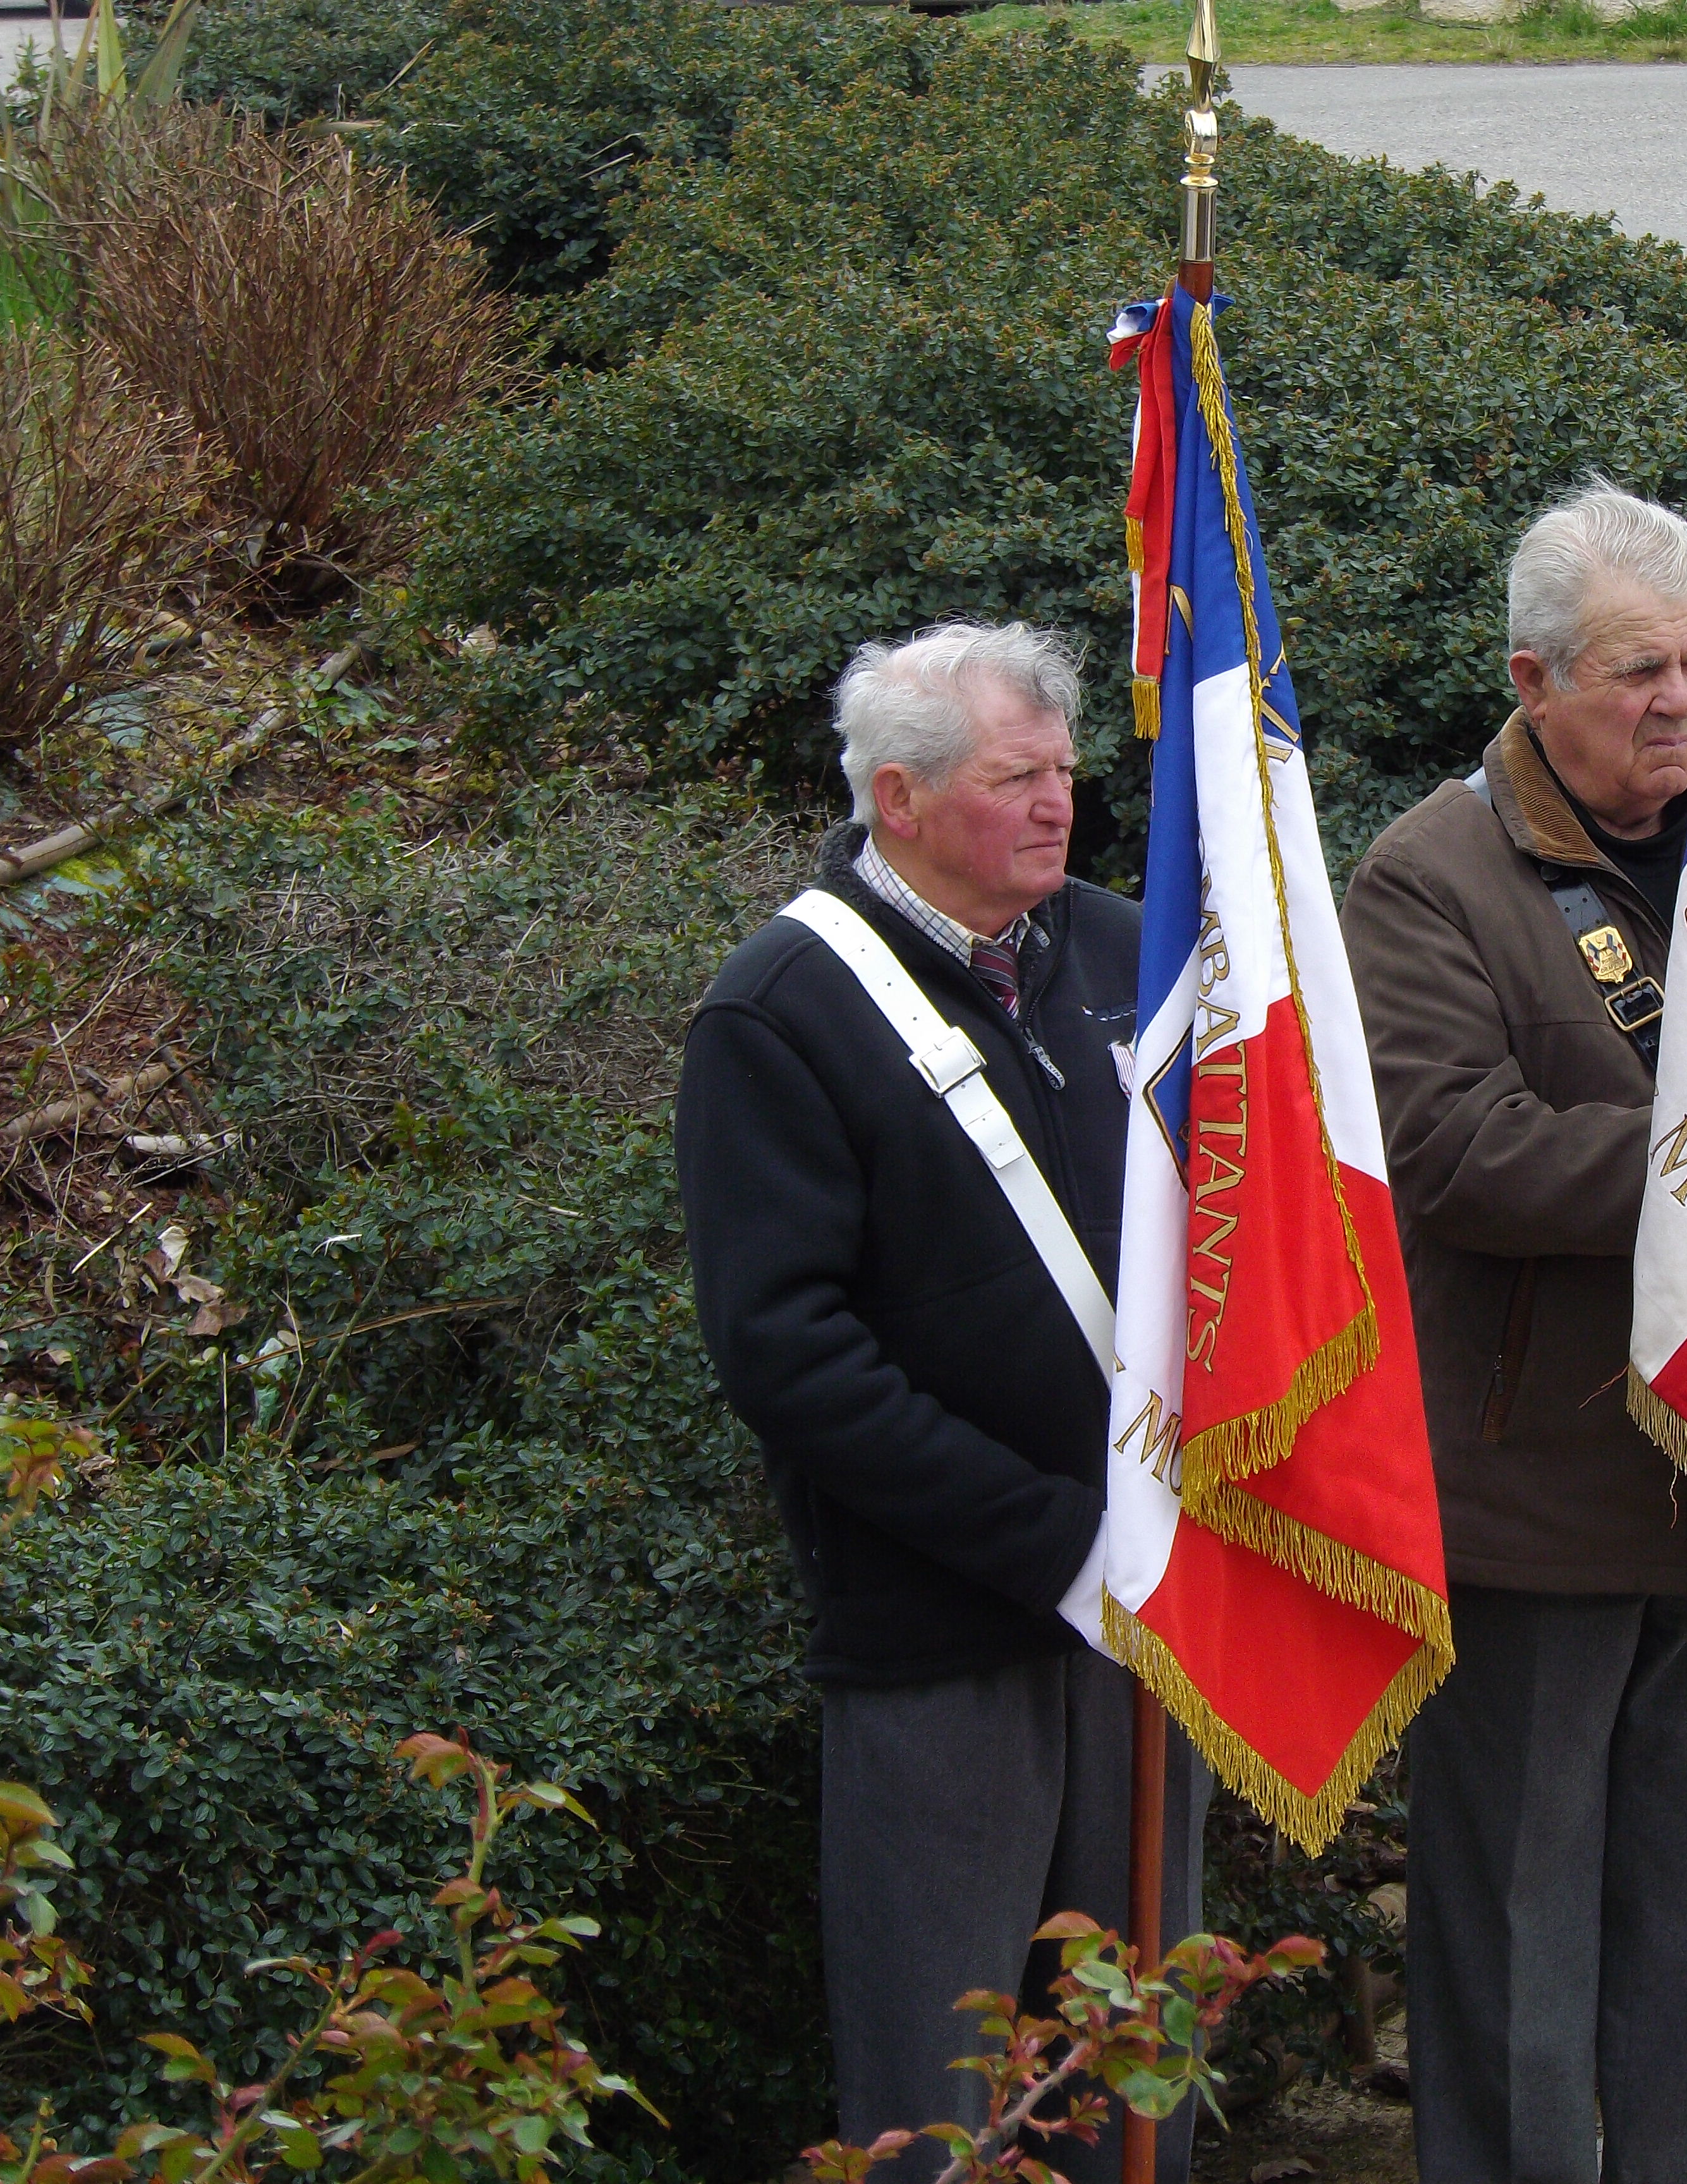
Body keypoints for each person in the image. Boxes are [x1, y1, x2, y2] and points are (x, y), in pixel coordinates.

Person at [674, 623, 1204, 2181]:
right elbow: (788, 1353)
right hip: (937, 1630)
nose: (1060, 806)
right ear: (897, 796)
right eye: (1015, 779)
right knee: (940, 2086)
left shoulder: (1123, 948)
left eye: (1064, 771)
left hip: (1149, 1599)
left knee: (1145, 2058)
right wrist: (1046, 1538)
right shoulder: (779, 1009)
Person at [1339, 483, 1687, 2182]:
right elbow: (1459, 1151)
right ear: (1533, 681)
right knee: (1517, 1942)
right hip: (1539, 1498)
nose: (1677, 699)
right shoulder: (1433, 874)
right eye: (1632, 672)